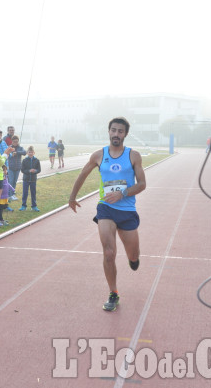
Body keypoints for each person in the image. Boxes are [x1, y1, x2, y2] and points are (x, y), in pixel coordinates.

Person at [68, 117, 146, 312]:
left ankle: (133, 259)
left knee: (133, 255)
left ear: (125, 134)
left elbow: (142, 184)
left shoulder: (133, 156)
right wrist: (72, 197)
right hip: (106, 209)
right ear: (108, 132)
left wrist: (123, 193)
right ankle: (113, 293)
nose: (116, 134)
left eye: (120, 131)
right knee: (109, 253)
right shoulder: (98, 155)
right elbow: (82, 175)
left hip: (127, 210)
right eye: (113, 130)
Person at [19, 146, 41, 212]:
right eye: (29, 152)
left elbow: (39, 169)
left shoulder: (37, 160)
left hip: (33, 180)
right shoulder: (24, 160)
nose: (30, 153)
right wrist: (29, 171)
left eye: (31, 152)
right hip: (26, 179)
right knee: (25, 193)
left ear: (34, 153)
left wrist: (35, 171)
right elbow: (22, 170)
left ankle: (34, 206)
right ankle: (23, 206)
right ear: (27, 153)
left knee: (33, 193)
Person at [7, 135, 26, 201]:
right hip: (11, 167)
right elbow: (7, 156)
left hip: (18, 167)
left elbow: (24, 152)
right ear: (12, 141)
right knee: (10, 181)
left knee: (14, 181)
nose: (15, 143)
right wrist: (12, 154)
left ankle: (12, 194)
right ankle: (9, 195)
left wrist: (17, 152)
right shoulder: (9, 147)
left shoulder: (20, 147)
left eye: (17, 141)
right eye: (14, 141)